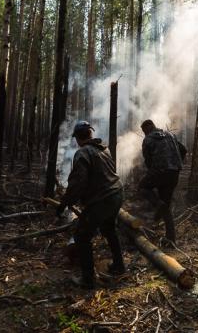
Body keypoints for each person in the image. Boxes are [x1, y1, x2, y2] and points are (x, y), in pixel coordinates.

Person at [56, 121, 126, 289]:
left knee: (82, 236)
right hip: (117, 193)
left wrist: (64, 204)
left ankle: (88, 280)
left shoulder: (82, 153)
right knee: (109, 230)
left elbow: (78, 184)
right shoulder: (104, 149)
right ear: (90, 134)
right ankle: (119, 266)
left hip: (104, 199)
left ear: (78, 138)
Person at [138, 119, 187, 246]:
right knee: (167, 205)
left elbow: (148, 161)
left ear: (145, 130)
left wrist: (153, 173)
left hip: (159, 172)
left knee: (142, 187)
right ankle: (171, 239)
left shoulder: (148, 140)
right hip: (174, 173)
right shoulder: (171, 135)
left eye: (144, 131)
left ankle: (158, 206)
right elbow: (184, 150)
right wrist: (177, 163)